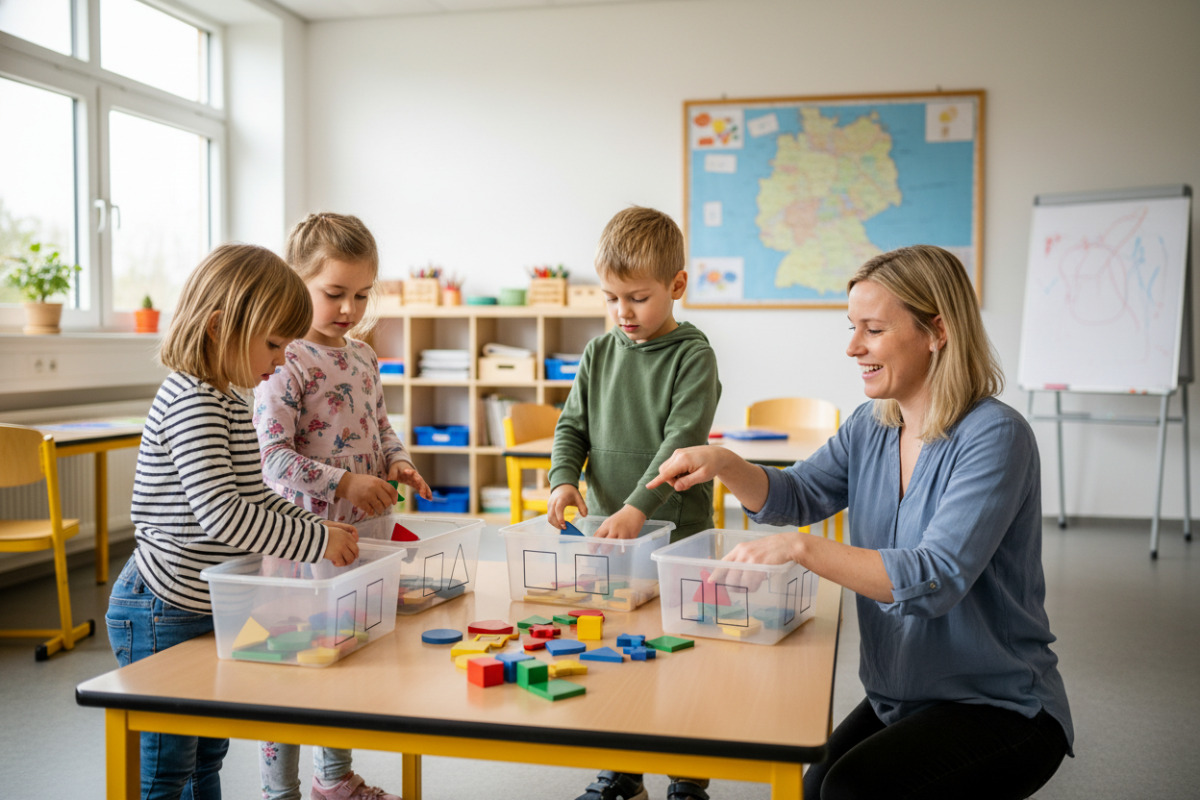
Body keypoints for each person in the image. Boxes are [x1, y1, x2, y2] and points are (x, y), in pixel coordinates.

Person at [650, 244, 1074, 800]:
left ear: (937, 330)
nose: (853, 348)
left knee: (851, 791)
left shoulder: (995, 436)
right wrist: (725, 462)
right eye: (852, 328)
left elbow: (935, 576)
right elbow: (797, 494)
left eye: (872, 329)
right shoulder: (872, 425)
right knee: (815, 789)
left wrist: (800, 551)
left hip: (1001, 706)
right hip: (903, 697)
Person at [105, 244, 360, 800]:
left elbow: (257, 496)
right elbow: (223, 514)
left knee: (208, 756)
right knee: (167, 766)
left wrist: (318, 530)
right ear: (221, 327)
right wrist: (316, 538)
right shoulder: (192, 400)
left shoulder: (228, 397)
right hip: (159, 606)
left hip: (205, 605)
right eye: (272, 345)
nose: (278, 361)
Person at [253, 212, 431, 800]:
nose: (349, 309)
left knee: (341, 661)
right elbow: (273, 458)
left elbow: (383, 430)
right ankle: (281, 792)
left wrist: (399, 463)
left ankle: (334, 779)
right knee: (291, 670)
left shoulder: (362, 357)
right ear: (295, 280)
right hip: (301, 545)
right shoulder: (283, 360)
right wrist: (344, 484)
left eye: (361, 294)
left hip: (360, 545)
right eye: (334, 293)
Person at [547, 206, 721, 800]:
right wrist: (563, 480)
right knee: (614, 654)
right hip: (608, 534)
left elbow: (681, 442)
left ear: (676, 287)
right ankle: (622, 771)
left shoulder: (693, 355)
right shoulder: (598, 353)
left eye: (638, 298)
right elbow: (571, 427)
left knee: (681, 656)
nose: (623, 312)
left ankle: (688, 778)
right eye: (612, 297)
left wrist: (639, 507)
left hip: (678, 536)